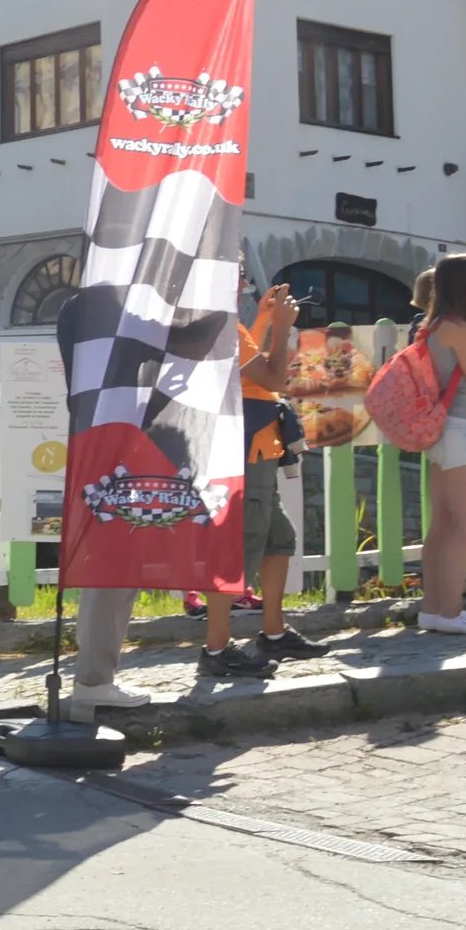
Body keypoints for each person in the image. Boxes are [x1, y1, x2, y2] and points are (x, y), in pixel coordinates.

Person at [194, 277, 325, 676]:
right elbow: (271, 379)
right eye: (239, 276)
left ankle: (272, 631)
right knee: (239, 545)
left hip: (254, 447)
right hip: (246, 449)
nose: (244, 284)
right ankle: (216, 650)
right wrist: (284, 327)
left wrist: (266, 319)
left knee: (276, 539)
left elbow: (246, 368)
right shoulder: (221, 325)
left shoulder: (218, 323)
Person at [415, 253, 466, 633]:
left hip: (445, 433)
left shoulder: (436, 324)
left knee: (443, 523)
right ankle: (452, 611)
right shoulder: (461, 328)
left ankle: (434, 609)